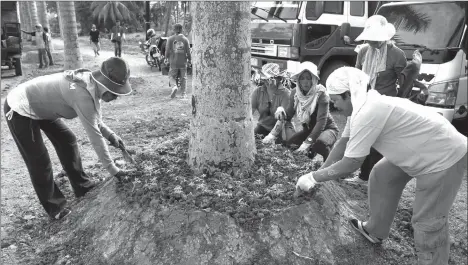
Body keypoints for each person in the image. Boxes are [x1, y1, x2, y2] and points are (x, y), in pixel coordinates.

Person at [295, 67, 467, 265]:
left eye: (335, 100)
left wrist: (313, 178)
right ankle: (375, 230)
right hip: (419, 147)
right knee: (382, 175)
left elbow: (351, 164)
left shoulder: (368, 112)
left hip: (443, 156)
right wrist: (318, 172)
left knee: (428, 223)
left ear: (349, 94)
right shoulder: (360, 108)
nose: (334, 105)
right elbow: (343, 143)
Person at [3, 57, 132, 220]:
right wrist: (114, 170)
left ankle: (82, 187)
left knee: (67, 139)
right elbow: (95, 137)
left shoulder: (91, 84)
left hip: (42, 107)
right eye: (115, 93)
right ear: (105, 84)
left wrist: (111, 135)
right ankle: (55, 207)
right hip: (20, 107)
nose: (116, 97)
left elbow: (94, 120)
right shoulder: (81, 94)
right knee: (39, 160)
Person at [345, 15, 408, 185]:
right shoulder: (364, 51)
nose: (371, 42)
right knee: (364, 139)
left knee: (380, 143)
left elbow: (403, 82)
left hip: (385, 103)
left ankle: (377, 179)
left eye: (375, 39)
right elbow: (357, 76)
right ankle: (363, 176)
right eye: (370, 38)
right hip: (365, 102)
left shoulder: (397, 55)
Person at [279, 61, 339, 161]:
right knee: (291, 145)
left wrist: (307, 142)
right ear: (298, 80)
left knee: (320, 144)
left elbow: (321, 122)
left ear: (314, 79)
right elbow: (289, 114)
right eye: (302, 78)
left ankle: (329, 162)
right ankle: (311, 153)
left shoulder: (321, 94)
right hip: (309, 130)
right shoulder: (295, 93)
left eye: (309, 78)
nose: (305, 82)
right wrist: (281, 111)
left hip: (328, 129)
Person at [251, 63, 290, 142]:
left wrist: (272, 135)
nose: (268, 82)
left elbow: (282, 120)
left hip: (281, 129)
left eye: (271, 79)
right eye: (266, 79)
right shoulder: (258, 92)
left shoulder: (286, 93)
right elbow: (249, 111)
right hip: (262, 126)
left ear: (279, 79)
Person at [165, 23, 191, 99]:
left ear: (174, 30)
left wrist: (166, 58)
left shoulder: (170, 39)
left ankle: (174, 87)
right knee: (184, 78)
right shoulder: (185, 39)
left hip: (173, 62)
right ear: (181, 29)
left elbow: (167, 50)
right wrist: (189, 60)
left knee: (171, 76)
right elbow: (188, 52)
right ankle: (183, 94)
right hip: (183, 62)